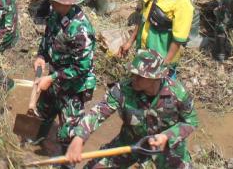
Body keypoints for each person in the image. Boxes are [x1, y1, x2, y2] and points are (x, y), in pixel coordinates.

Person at [65, 49, 199, 168]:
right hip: (131, 142)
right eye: (133, 73)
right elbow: (99, 111)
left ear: (155, 78)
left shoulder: (178, 93)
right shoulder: (123, 89)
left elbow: (191, 122)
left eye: (140, 76)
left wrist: (166, 136)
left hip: (167, 150)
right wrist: (79, 138)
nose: (134, 78)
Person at [32, 0, 97, 146]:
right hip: (55, 78)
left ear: (68, 2)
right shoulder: (56, 14)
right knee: (40, 114)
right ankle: (33, 143)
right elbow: (48, 38)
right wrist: (41, 56)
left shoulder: (80, 30)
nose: (51, 2)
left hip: (74, 86)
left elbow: (81, 68)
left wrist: (51, 78)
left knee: (69, 134)